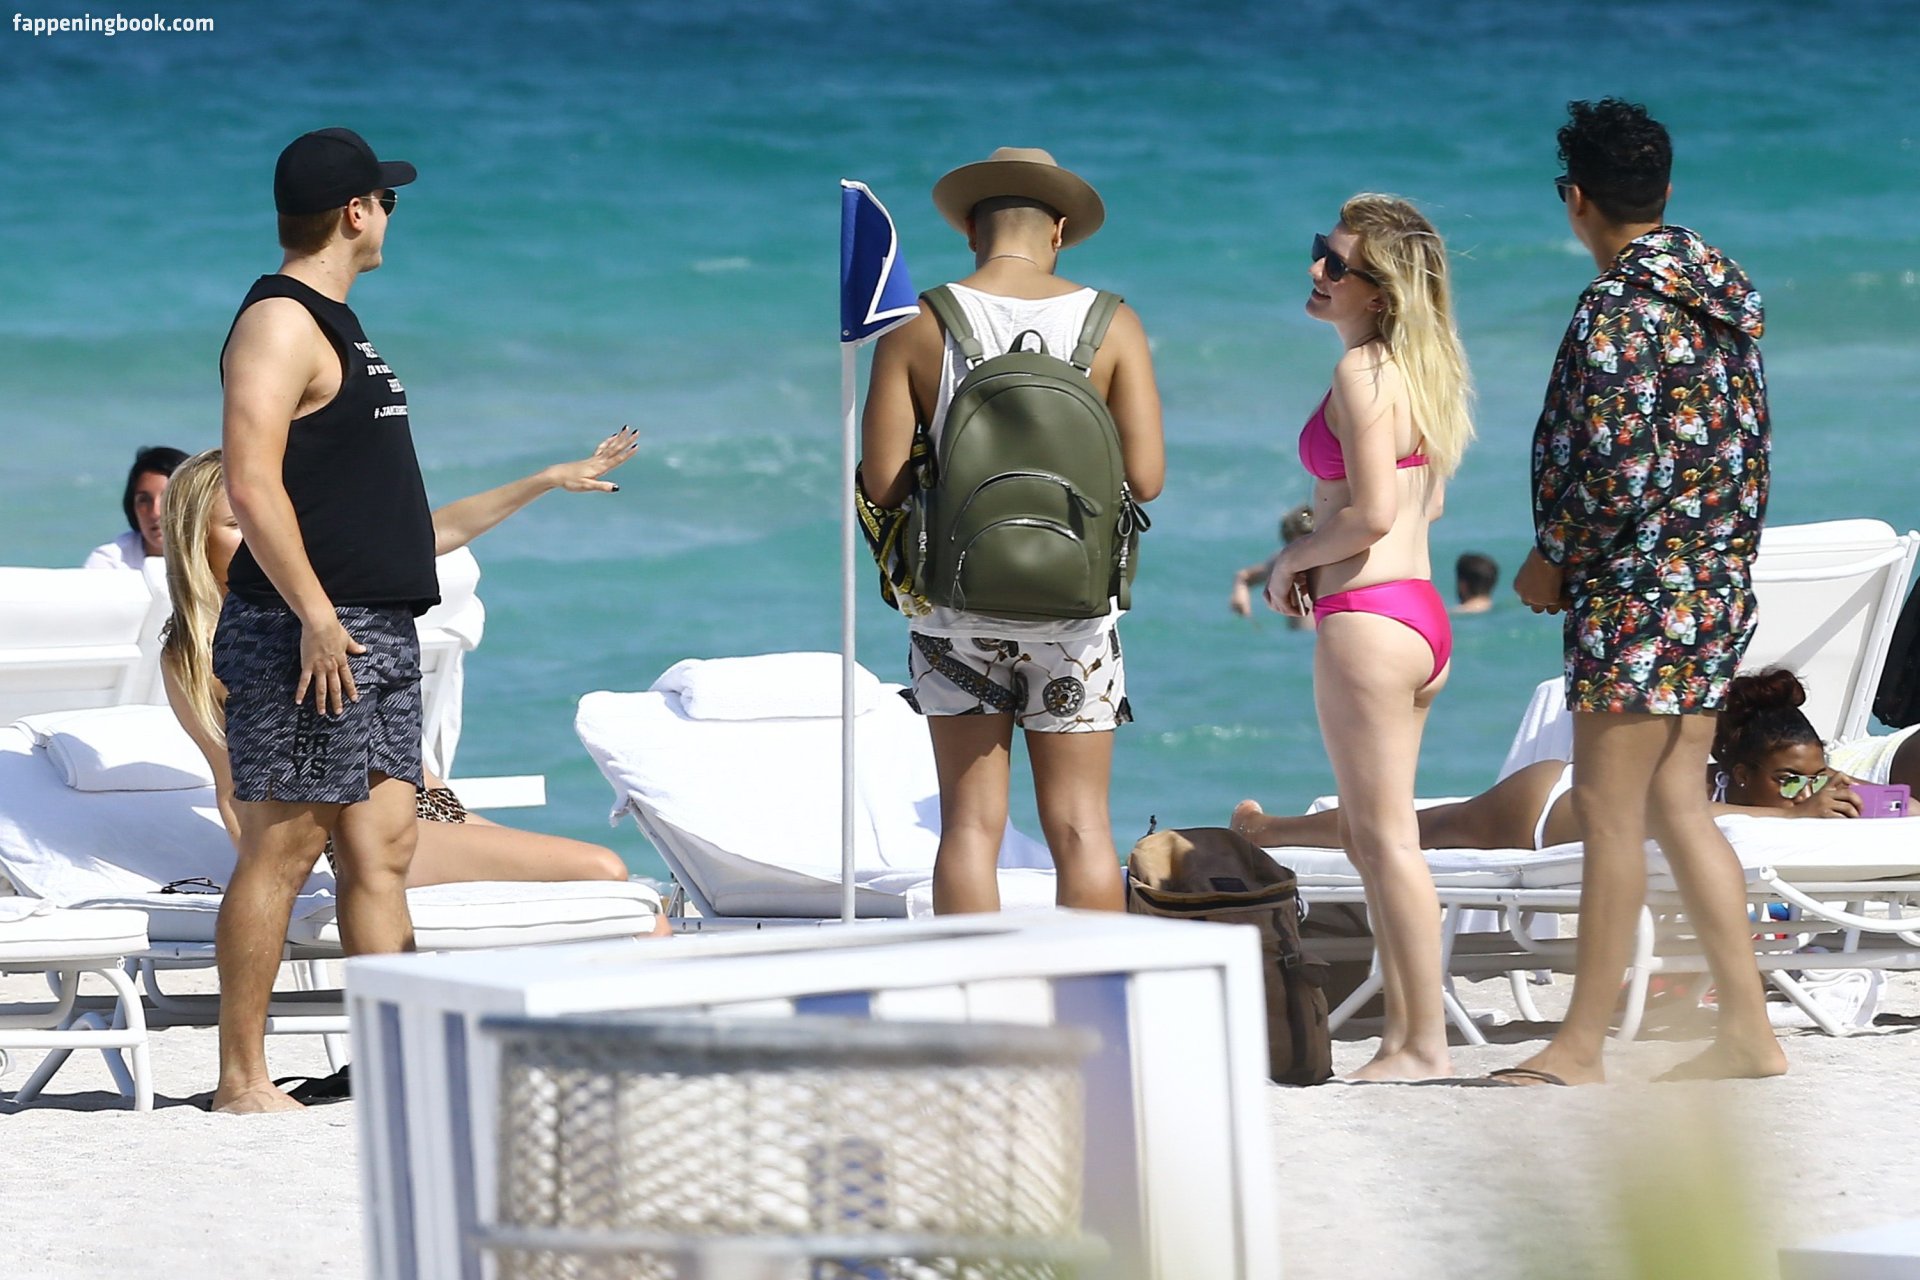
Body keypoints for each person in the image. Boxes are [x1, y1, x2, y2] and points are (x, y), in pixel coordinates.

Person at [209, 127, 636, 1113]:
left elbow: (399, 528)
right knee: (284, 845)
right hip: (308, 633)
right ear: (355, 212)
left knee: (384, 847)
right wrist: (316, 613)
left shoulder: (339, 324)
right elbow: (250, 483)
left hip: (377, 626)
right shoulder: (279, 321)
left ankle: (392, 1062)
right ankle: (242, 1078)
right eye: (386, 201)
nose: (390, 217)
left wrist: (544, 478)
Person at [1508, 99, 1784, 1086]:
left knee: (1610, 808)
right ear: (1663, 189)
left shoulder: (1621, 309)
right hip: (1711, 581)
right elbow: (1743, 453)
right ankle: (1747, 1029)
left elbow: (1621, 471)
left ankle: (1579, 1044)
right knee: (1676, 802)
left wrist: (1554, 555)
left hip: (1638, 590)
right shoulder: (1723, 298)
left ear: (1575, 199)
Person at [859, 147, 1164, 915]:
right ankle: (1094, 988)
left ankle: (976, 988)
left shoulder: (917, 322)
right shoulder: (1112, 322)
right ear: (1058, 231)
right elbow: (1147, 478)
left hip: (954, 612)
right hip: (1076, 617)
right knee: (1082, 827)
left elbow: (883, 484)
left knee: (969, 826)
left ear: (970, 229)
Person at [159, 448, 654, 893]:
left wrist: (544, 479)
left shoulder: (322, 598)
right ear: (195, 539)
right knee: (602, 870)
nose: (259, 537)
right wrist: (271, 885)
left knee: (634, 900)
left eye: (269, 520)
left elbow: (436, 532)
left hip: (428, 807)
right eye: (237, 524)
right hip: (351, 835)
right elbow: (231, 787)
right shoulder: (195, 652)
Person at [1262, 194, 1474, 1082]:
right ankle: (1408, 1036)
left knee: (1385, 842)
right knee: (1371, 837)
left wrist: (1291, 559)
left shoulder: (1360, 374)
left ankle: (1420, 1043)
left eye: (1337, 264)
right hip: (1420, 614)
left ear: (1379, 291)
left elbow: (1374, 513)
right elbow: (1428, 503)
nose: (1317, 270)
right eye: (1321, 249)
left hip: (1369, 619)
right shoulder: (1423, 371)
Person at [1231, 669, 1868, 853]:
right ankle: (1271, 830)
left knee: (1413, 825)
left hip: (1578, 799)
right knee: (1412, 829)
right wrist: (1794, 814)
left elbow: (1904, 805)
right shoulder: (1723, 797)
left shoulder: (1774, 802)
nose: (1799, 792)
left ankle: (1274, 827)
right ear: (1743, 771)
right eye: (1787, 780)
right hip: (1542, 808)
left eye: (1810, 781)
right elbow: (1685, 818)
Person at [84, 445, 187, 570]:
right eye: (144, 500)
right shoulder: (109, 562)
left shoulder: (210, 556)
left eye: (167, 498)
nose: (155, 512)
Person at [1229, 503, 1316, 628]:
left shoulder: (1334, 556)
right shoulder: (1284, 562)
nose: (1304, 552)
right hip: (1302, 635)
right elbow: (1244, 577)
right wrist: (1240, 594)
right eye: (1296, 547)